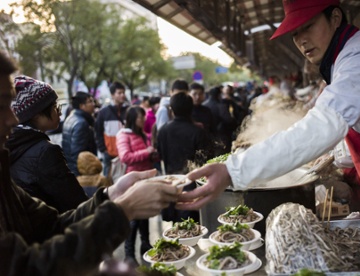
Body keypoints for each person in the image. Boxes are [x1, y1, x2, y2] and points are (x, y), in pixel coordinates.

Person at [177, 0, 360, 246]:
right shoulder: (344, 59)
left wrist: (233, 171)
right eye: (294, 33)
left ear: (335, 18)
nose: (301, 40)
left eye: (308, 26)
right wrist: (337, 160)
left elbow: (323, 126)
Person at [0, 51, 179, 275]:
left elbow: (52, 225)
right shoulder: (42, 151)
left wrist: (110, 196)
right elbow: (26, 267)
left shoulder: (4, 172)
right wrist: (124, 210)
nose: (13, 118)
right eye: (1, 106)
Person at [5, 75, 89, 213]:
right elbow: (76, 203)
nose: (59, 112)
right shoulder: (46, 152)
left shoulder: (8, 145)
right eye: (55, 106)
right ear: (36, 114)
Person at [158, 92, 211, 223]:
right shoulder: (198, 132)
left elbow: (161, 155)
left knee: (177, 229)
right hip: (194, 187)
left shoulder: (163, 130)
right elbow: (205, 161)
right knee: (195, 227)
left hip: (173, 184)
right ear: (191, 109)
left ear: (172, 109)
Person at [116, 106, 156, 263]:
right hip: (131, 181)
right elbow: (125, 157)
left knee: (144, 214)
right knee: (133, 218)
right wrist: (147, 152)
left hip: (145, 180)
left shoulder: (143, 135)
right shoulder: (123, 135)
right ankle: (129, 254)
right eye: (141, 117)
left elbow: (146, 156)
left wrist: (153, 154)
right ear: (133, 118)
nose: (144, 120)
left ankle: (145, 244)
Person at [95, 81, 128, 176]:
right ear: (112, 95)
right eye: (119, 93)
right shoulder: (103, 113)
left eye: (123, 93)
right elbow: (98, 132)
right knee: (108, 181)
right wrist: (103, 149)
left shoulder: (128, 111)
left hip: (125, 154)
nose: (122, 95)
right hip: (109, 154)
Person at [62, 92, 97, 176]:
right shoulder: (81, 123)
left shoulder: (70, 118)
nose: (93, 104)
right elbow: (78, 154)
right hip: (82, 172)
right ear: (82, 106)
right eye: (90, 101)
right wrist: (80, 175)